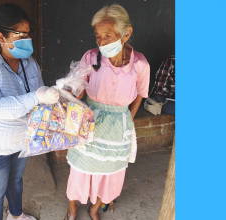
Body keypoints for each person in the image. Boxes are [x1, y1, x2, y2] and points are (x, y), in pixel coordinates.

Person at [0, 3, 59, 220]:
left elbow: (41, 96)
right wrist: (36, 97)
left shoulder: (29, 62)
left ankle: (16, 216)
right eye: (21, 35)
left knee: (15, 182)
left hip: (22, 140)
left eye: (28, 34)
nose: (27, 39)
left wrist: (61, 95)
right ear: (0, 37)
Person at [64, 4, 150, 220]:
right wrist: (69, 90)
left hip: (119, 123)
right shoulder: (91, 57)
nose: (102, 42)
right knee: (80, 168)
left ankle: (95, 207)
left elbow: (140, 93)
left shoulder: (139, 63)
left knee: (111, 171)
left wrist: (128, 120)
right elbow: (79, 90)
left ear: (126, 33)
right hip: (91, 119)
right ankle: (72, 206)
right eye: (98, 36)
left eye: (108, 36)